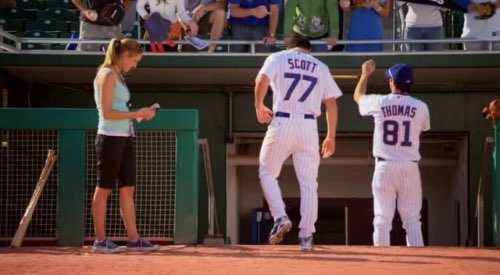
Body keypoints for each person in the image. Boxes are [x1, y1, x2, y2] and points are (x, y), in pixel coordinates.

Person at [255, 34, 342, 251]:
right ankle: (306, 236)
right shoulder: (320, 66)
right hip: (308, 126)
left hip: (282, 120)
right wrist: (331, 136)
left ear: (290, 46)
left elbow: (261, 80)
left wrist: (258, 106)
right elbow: (331, 104)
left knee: (267, 173)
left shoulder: (279, 57)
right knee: (309, 183)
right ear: (308, 49)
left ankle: (280, 217)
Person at [92, 38, 159, 253]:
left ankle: (133, 239)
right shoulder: (107, 75)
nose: (135, 66)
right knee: (104, 190)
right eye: (135, 60)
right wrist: (136, 113)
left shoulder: (118, 76)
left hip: (125, 137)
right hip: (109, 138)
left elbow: (119, 109)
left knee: (128, 189)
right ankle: (100, 241)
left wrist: (140, 115)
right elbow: (107, 113)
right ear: (125, 55)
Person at [353, 60, 430, 246]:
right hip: (409, 166)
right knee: (412, 220)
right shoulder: (421, 106)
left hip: (385, 165)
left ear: (392, 82)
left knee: (381, 219)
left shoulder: (380, 101)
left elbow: (358, 97)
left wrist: (365, 74)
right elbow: (424, 128)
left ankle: (381, 264)